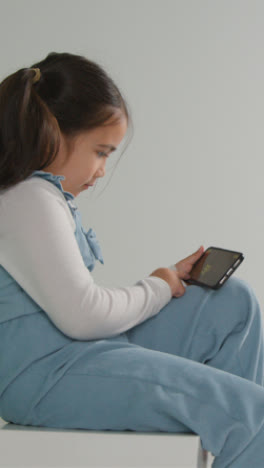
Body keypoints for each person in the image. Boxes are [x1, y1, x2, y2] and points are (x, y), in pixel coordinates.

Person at [0, 52, 263, 468]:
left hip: (77, 356)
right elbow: (82, 316)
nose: (102, 170)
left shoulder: (43, 198)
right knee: (253, 412)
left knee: (233, 302)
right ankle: (239, 427)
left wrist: (167, 279)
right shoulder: (30, 198)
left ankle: (229, 438)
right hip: (47, 378)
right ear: (53, 133)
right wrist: (157, 286)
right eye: (101, 152)